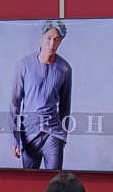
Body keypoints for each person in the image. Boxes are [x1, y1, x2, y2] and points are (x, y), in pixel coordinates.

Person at [10, 20, 73, 170]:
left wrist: (63, 135)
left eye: (57, 40)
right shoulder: (24, 65)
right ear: (41, 38)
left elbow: (65, 105)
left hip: (53, 134)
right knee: (30, 181)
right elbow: (15, 103)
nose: (52, 44)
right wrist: (14, 138)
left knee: (55, 180)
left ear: (60, 41)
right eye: (48, 38)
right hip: (29, 134)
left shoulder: (64, 68)